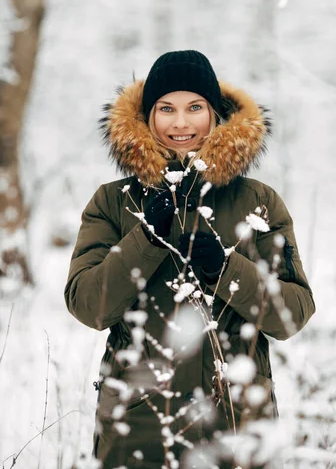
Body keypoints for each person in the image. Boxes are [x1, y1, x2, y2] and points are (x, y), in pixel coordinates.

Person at [65, 50, 315, 469]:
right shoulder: (113, 202)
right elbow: (91, 307)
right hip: (136, 424)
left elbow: (292, 314)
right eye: (167, 109)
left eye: (194, 107)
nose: (180, 123)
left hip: (236, 424)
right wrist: (145, 240)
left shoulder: (258, 201)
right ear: (147, 117)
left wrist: (226, 271)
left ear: (216, 114)